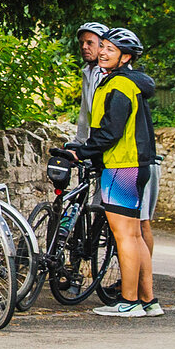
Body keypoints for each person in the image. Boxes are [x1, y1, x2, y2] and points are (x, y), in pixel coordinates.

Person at [67, 28, 159, 318]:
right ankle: (148, 300)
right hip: (135, 164)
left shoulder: (119, 85)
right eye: (103, 47)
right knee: (135, 235)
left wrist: (82, 151)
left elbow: (110, 132)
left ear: (126, 57)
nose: (103, 52)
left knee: (125, 237)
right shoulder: (129, 83)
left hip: (121, 166)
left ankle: (129, 301)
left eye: (111, 49)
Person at [74, 21, 111, 141]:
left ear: (103, 46)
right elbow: (85, 114)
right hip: (95, 143)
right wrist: (78, 142)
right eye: (81, 43)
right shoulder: (87, 71)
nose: (84, 47)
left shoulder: (109, 74)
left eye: (89, 43)